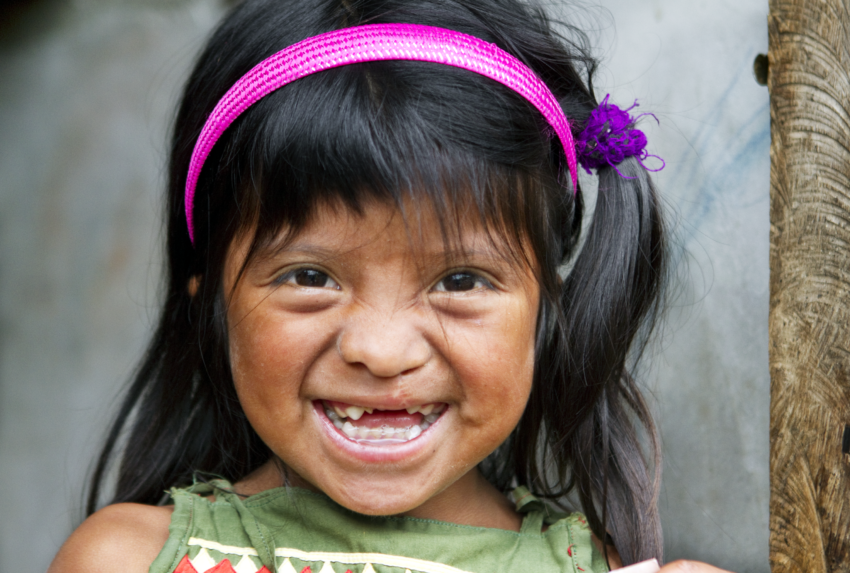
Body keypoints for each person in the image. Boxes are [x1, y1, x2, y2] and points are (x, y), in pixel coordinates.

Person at [48, 1, 733, 572]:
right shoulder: (127, 561)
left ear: (545, 308)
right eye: (310, 277)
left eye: (460, 280)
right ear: (215, 304)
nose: (381, 351)